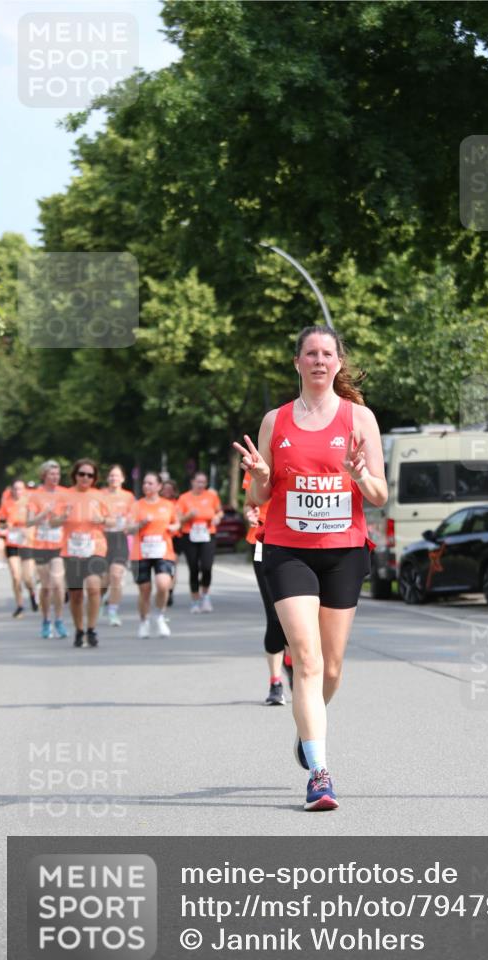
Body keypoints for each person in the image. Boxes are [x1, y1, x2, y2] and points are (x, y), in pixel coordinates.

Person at [234, 325, 387, 811]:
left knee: (333, 668)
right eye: (310, 353)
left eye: (327, 354)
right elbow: (261, 495)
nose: (319, 361)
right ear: (297, 362)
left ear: (338, 363)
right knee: (307, 657)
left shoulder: (359, 418)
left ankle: (307, 732)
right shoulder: (274, 421)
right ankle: (320, 773)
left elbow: (381, 496)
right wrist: (259, 479)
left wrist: (361, 475)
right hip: (288, 549)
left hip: (344, 550)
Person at [51, 458, 110, 648]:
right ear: (75, 475)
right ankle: (79, 629)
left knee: (94, 586)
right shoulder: (64, 496)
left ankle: (91, 628)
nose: (85, 478)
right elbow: (52, 522)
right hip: (71, 549)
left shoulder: (99, 496)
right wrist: (62, 517)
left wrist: (101, 519)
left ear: (94, 478)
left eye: (90, 475)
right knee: (76, 594)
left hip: (95, 546)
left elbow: (113, 521)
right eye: (82, 474)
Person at [243, 472, 288, 706]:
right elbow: (248, 503)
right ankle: (276, 682)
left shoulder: (301, 456)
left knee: (296, 616)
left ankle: (292, 662)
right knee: (275, 616)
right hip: (263, 541)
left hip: (295, 543)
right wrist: (250, 514)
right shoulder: (255, 466)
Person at [127, 471, 179, 638]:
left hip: (163, 551)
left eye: (150, 483)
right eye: (144, 483)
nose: (146, 486)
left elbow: (176, 522)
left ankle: (160, 615)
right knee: (145, 590)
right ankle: (144, 621)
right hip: (141, 552)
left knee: (163, 585)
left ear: (159, 486)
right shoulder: (137, 505)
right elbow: (128, 529)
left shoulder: (168, 505)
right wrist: (141, 524)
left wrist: (174, 527)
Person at [27, 460, 68, 639]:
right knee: (46, 588)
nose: (55, 477)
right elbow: (29, 521)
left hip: (59, 545)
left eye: (57, 474)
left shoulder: (65, 494)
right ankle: (45, 620)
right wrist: (45, 513)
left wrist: (61, 517)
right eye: (51, 474)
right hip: (41, 545)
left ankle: (58, 619)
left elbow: (68, 518)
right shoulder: (35, 496)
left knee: (58, 585)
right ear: (44, 475)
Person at [177, 471, 223, 612]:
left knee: (207, 567)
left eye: (203, 482)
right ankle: (195, 600)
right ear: (192, 482)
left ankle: (206, 596)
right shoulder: (184, 498)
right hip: (189, 535)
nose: (201, 484)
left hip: (207, 534)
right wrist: (188, 516)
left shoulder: (211, 496)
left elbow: (219, 511)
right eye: (198, 481)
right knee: (193, 568)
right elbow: (178, 519)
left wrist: (217, 518)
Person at [101, 465, 135, 626]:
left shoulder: (128, 497)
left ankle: (113, 611)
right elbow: (96, 516)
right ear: (108, 479)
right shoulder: (100, 495)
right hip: (103, 538)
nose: (114, 478)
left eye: (117, 476)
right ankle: (100, 600)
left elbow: (132, 517)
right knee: (103, 580)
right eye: (111, 476)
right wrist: (107, 520)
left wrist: (129, 524)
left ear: (122, 479)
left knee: (116, 575)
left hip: (120, 538)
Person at [0, 479, 38, 617]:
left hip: (26, 543)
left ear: (24, 490)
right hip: (12, 543)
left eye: (20, 489)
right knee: (16, 576)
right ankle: (20, 605)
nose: (18, 492)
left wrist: (27, 529)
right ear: (12, 490)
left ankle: (32, 593)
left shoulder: (29, 503)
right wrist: (6, 526)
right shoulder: (7, 504)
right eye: (15, 489)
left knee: (27, 578)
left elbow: (33, 521)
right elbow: (1, 522)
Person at [160, 479, 181, 606]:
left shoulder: (177, 503)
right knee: (162, 566)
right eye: (165, 488)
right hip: (160, 538)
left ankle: (170, 590)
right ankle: (163, 588)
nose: (167, 491)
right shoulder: (158, 502)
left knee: (172, 565)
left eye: (170, 489)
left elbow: (180, 519)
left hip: (175, 538)